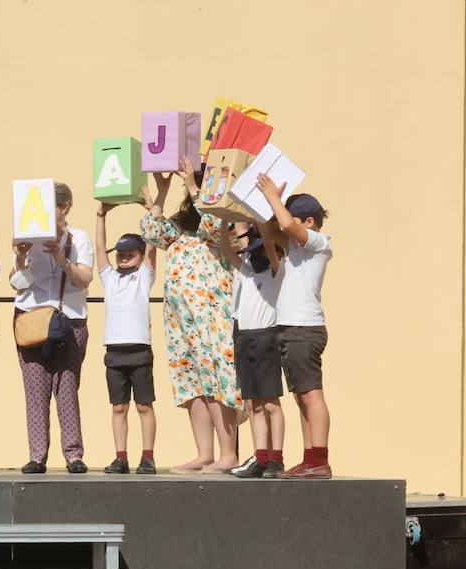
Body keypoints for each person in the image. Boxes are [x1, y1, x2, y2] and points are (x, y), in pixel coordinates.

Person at [140, 161, 239, 472]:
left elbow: (212, 226)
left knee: (217, 380)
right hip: (180, 319)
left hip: (211, 315)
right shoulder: (180, 224)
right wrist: (163, 190)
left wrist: (198, 188)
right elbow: (151, 232)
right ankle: (204, 453)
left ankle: (228, 453)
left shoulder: (221, 215)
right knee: (191, 382)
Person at [9, 183, 96, 475]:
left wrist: (61, 258)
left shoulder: (78, 238)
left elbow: (84, 279)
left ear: (64, 208)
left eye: (51, 207)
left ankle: (73, 454)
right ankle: (37, 456)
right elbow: (16, 283)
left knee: (67, 387)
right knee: (35, 390)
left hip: (68, 320)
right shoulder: (27, 238)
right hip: (31, 320)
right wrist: (20, 257)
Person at [256, 179, 334, 479]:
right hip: (290, 329)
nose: (285, 220)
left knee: (312, 395)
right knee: (301, 395)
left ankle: (320, 458)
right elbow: (271, 227)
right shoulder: (295, 248)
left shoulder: (319, 242)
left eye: (294, 216)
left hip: (305, 328)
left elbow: (287, 226)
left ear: (310, 221)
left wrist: (274, 197)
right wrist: (263, 202)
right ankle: (310, 457)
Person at [94, 202, 158, 475]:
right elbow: (99, 248)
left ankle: (148, 457)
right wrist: (101, 215)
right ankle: (120, 457)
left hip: (139, 350)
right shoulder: (109, 278)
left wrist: (151, 208)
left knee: (144, 405)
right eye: (120, 254)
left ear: (141, 256)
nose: (122, 257)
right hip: (115, 352)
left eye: (130, 254)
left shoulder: (144, 277)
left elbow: (153, 239)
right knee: (118, 406)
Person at [219, 226, 286, 478]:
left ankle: (276, 459)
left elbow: (270, 244)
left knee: (270, 403)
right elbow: (226, 248)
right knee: (253, 404)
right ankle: (260, 456)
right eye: (252, 253)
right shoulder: (246, 271)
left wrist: (262, 226)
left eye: (261, 252)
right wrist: (225, 219)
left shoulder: (276, 272)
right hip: (244, 338)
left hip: (265, 337)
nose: (255, 257)